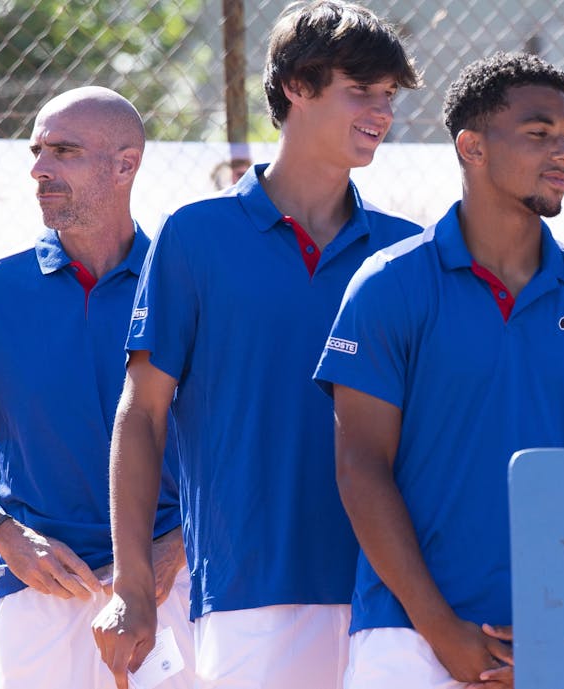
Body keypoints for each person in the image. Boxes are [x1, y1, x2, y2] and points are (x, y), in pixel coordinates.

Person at [90, 3, 422, 688]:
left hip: (395, 597)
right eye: (361, 90)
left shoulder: (405, 252)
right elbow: (141, 413)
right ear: (296, 86)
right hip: (250, 593)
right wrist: (132, 584)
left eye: (389, 95)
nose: (382, 111)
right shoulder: (194, 236)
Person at [313, 52, 564, 689]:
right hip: (406, 635)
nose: (563, 153)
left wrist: (563, 631)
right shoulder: (389, 284)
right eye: (538, 133)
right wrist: (441, 630)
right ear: (471, 146)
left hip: (554, 638)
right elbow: (360, 468)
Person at [0, 87, 194, 689]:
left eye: (64, 151)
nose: (39, 169)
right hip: (39, 596)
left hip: (175, 586)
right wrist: (7, 537)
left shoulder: (187, 287)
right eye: (37, 151)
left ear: (126, 164)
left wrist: (177, 547)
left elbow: (256, 448)